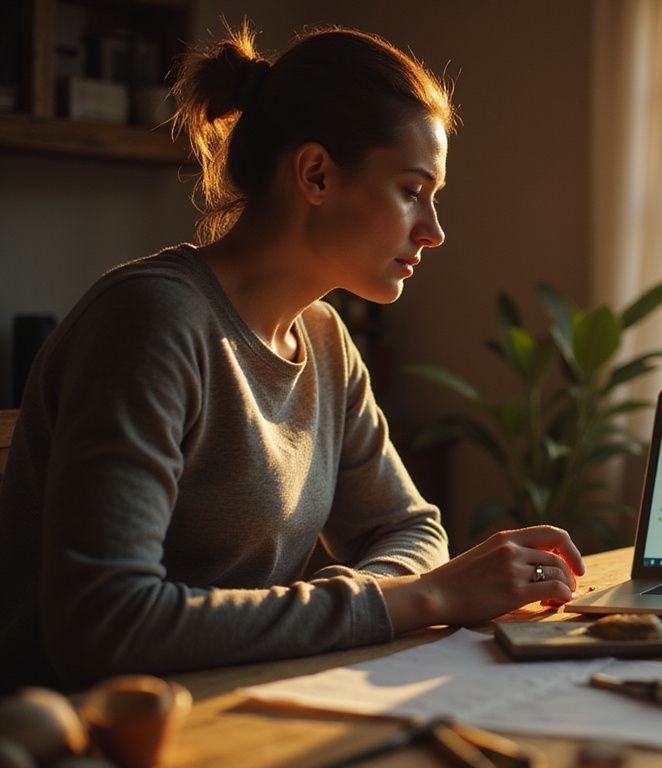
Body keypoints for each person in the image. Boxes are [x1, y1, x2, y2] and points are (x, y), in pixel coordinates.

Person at [0, 22, 584, 690]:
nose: (434, 231)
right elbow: (105, 624)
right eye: (411, 190)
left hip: (244, 704)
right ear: (315, 174)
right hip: (81, 734)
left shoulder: (327, 341)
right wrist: (421, 598)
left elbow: (412, 529)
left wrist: (379, 597)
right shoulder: (150, 322)